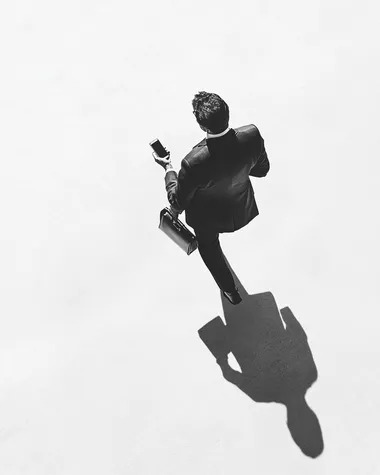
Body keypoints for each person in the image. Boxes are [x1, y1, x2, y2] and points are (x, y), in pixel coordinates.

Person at [153, 91, 270, 305]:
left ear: (203, 127)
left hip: (208, 220)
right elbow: (262, 170)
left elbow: (177, 201)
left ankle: (230, 292)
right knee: (211, 249)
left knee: (210, 250)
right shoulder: (251, 135)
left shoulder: (193, 162)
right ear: (227, 113)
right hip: (241, 207)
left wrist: (168, 168)